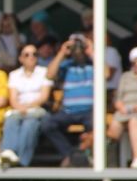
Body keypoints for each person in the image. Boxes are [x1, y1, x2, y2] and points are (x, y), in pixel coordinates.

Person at [41, 35, 101, 168]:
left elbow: (106, 74)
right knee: (47, 124)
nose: (77, 50)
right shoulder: (66, 65)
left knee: (97, 126)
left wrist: (91, 52)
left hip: (90, 111)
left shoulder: (94, 65)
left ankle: (78, 157)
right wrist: (62, 53)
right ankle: (71, 155)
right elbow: (49, 75)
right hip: (67, 111)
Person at [0, 43, 53, 167]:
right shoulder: (14, 75)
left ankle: (22, 162)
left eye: (34, 54)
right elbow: (13, 99)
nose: (31, 57)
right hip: (19, 109)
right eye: (27, 54)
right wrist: (20, 107)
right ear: (21, 58)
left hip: (39, 109)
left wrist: (28, 107)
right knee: (11, 119)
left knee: (30, 124)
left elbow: (44, 97)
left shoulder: (44, 72)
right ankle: (9, 153)